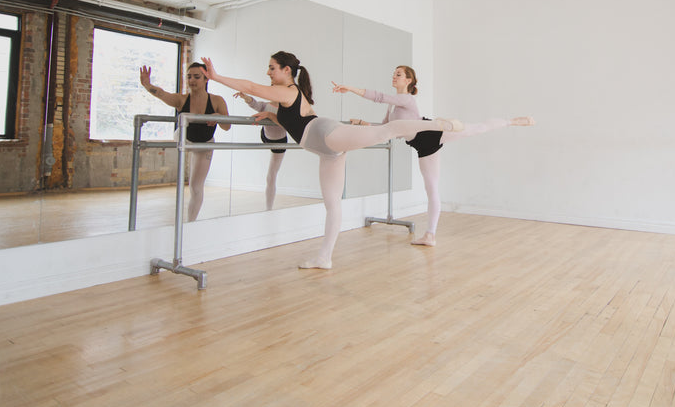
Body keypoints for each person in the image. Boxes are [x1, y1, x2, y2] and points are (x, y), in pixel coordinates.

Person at [200, 52, 462, 270]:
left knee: (385, 131)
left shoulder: (287, 90)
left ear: (286, 70)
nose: (268, 72)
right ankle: (324, 257)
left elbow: (250, 87)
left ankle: (438, 124)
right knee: (332, 204)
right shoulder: (286, 96)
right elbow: (291, 122)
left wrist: (216, 77)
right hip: (325, 149)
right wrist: (271, 117)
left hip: (325, 134)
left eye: (271, 68)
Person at [334, 65, 533, 247]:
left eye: (399, 74)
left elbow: (379, 96)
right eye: (394, 74)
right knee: (432, 188)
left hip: (431, 132)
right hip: (421, 146)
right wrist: (361, 123)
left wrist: (350, 89)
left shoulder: (406, 99)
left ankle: (511, 121)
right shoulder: (392, 107)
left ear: (408, 80)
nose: (394, 77)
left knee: (476, 128)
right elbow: (386, 129)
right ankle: (430, 235)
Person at [140, 62, 230, 222]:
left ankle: (191, 222)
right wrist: (148, 85)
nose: (192, 80)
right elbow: (161, 94)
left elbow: (227, 126)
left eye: (197, 77)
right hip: (185, 138)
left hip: (205, 144)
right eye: (189, 77)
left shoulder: (217, 101)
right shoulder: (181, 100)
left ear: (206, 79)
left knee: (196, 186)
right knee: (180, 134)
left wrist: (217, 117)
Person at [234, 91, 288, 211]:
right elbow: (255, 105)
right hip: (265, 136)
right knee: (271, 175)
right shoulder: (266, 105)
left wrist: (270, 115)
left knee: (271, 175)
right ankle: (268, 208)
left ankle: (269, 208)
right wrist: (246, 97)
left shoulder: (285, 110)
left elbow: (287, 124)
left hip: (278, 142)